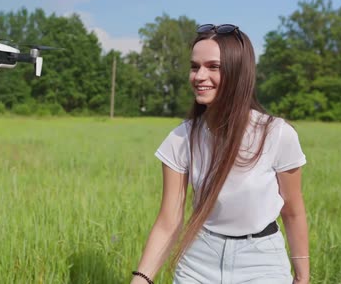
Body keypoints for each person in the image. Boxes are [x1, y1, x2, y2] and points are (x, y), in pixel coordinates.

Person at [130, 24, 309, 284]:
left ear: (238, 73)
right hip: (199, 259)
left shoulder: (277, 134)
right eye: (195, 66)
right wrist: (141, 279)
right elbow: (169, 220)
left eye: (213, 67)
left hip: (261, 262)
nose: (200, 76)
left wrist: (302, 275)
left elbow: (292, 210)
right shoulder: (181, 138)